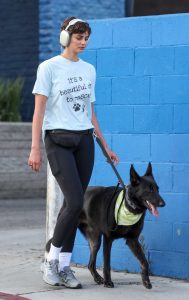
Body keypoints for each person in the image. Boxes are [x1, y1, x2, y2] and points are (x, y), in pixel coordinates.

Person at [28, 16, 119, 289]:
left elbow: (91, 114)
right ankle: (51, 260)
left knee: (72, 205)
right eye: (79, 37)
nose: (83, 42)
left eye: (86, 38)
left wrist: (105, 146)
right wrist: (34, 148)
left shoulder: (89, 70)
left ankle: (65, 267)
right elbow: (39, 111)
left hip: (84, 141)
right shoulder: (49, 68)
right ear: (65, 37)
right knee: (76, 200)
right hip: (57, 140)